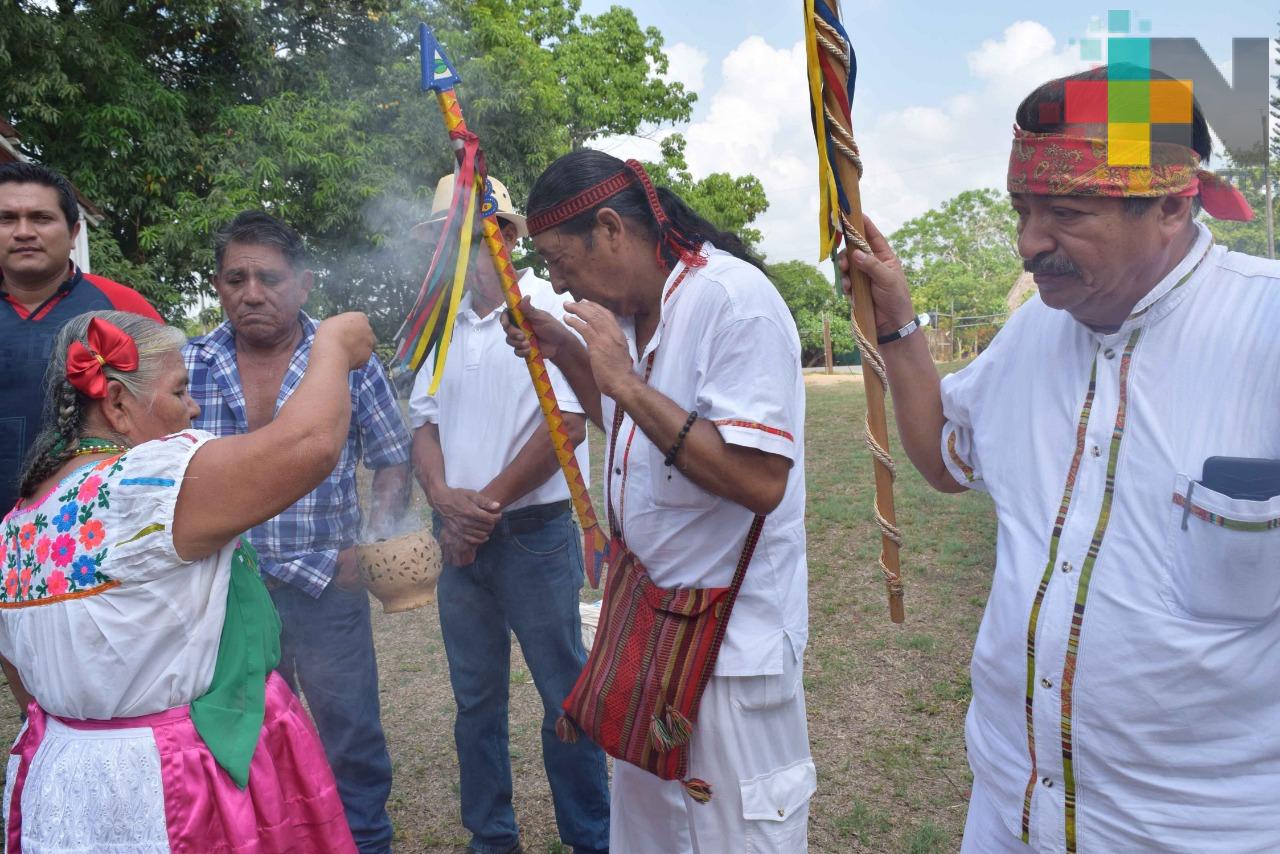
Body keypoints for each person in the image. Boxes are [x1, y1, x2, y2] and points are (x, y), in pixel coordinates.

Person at [840, 65, 1277, 853]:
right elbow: (945, 457)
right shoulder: (1034, 333)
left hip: (1201, 833)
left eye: (1066, 213)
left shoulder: (1266, 331)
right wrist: (899, 321)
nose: (1029, 243)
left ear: (1172, 204)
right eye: (1022, 209)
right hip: (1008, 809)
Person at [504, 151, 815, 853]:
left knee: (733, 841)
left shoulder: (733, 301)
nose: (557, 281)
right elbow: (632, 434)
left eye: (558, 261)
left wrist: (626, 382)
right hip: (651, 643)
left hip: (728, 659)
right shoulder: (635, 317)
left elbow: (760, 481)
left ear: (610, 229)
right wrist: (564, 351)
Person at [1, 308, 373, 852]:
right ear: (118, 404)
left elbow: (24, 682)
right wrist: (334, 344)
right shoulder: (139, 487)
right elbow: (309, 444)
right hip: (173, 782)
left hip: (65, 780)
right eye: (179, 391)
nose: (192, 407)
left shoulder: (16, 525)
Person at [184, 211, 411, 854]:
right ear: (218, 285)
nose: (252, 293)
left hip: (326, 586)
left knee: (351, 741)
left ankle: (365, 843)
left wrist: (370, 543)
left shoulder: (346, 361)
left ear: (305, 284)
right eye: (236, 279)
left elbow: (392, 456)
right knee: (240, 744)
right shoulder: (188, 363)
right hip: (222, 596)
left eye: (270, 278)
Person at [408, 174, 609, 854]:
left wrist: (481, 508)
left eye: (473, 232)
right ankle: (492, 838)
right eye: (449, 236)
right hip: (458, 541)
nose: (460, 247)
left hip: (533, 538)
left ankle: (592, 838)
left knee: (564, 696)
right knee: (475, 703)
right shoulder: (442, 325)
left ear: (506, 236)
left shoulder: (547, 309)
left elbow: (569, 426)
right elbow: (423, 424)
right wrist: (443, 500)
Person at [0, 161, 162, 514]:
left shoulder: (123, 308)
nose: (24, 232)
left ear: (73, 232)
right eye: (7, 219)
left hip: (93, 524)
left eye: (41, 218)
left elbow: (168, 409)